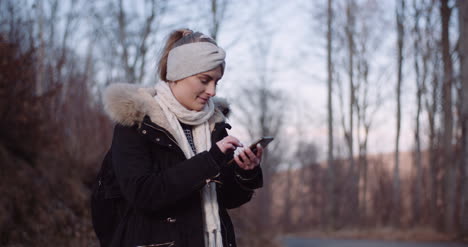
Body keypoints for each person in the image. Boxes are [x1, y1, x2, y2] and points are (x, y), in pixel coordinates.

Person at [100, 29, 264, 247]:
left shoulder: (214, 125)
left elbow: (226, 200)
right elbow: (143, 194)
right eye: (205, 80)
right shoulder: (137, 122)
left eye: (217, 81)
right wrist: (210, 159)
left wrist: (245, 173)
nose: (212, 91)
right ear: (178, 74)